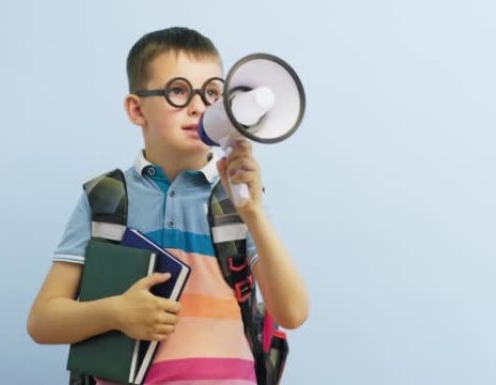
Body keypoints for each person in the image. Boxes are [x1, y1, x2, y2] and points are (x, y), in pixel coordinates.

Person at [27, 26, 309, 385]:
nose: (197, 106)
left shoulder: (236, 199)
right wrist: (115, 313)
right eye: (178, 91)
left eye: (211, 93)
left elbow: (294, 312)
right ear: (136, 109)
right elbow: (42, 322)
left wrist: (253, 212)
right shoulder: (106, 198)